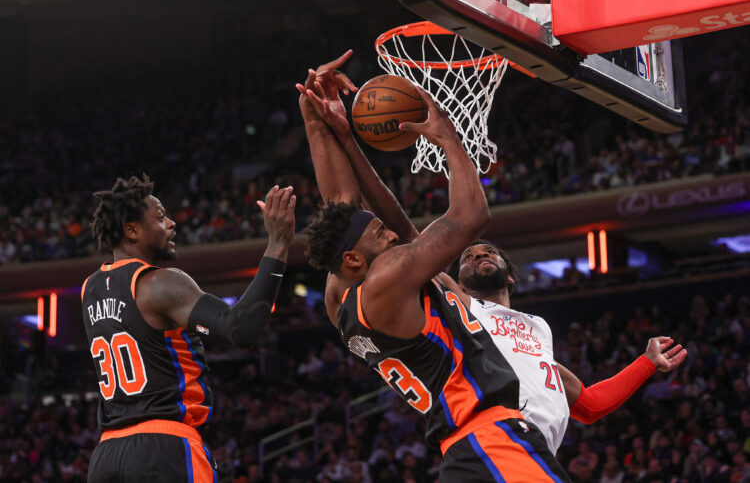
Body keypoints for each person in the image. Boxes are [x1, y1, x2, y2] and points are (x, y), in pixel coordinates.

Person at [298, 52, 570, 482]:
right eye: (378, 235)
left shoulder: (343, 297)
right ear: (353, 258)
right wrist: (447, 138)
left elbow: (347, 208)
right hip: (494, 443)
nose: (390, 234)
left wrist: (322, 123)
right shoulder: (388, 277)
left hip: (465, 452)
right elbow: (470, 214)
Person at [82, 175, 296, 482]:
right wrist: (278, 245)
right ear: (131, 230)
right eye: (160, 217)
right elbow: (239, 329)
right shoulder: (160, 282)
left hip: (105, 455)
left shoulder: (89, 290)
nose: (171, 224)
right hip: (164, 447)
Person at [453, 239, 687, 454]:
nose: (481, 254)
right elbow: (422, 264)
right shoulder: (458, 310)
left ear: (511, 278)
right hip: (490, 448)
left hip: (536, 459)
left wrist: (647, 362)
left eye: (490, 251)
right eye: (467, 257)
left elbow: (590, 405)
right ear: (460, 286)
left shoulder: (537, 329)